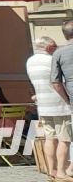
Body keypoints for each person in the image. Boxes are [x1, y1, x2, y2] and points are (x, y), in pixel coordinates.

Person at [39, 32, 73, 182]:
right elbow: (56, 82)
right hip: (60, 105)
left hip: (44, 105)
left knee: (50, 138)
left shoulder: (31, 61)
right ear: (49, 47)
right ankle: (62, 171)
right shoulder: (52, 58)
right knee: (65, 139)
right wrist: (67, 100)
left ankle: (51, 171)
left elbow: (54, 82)